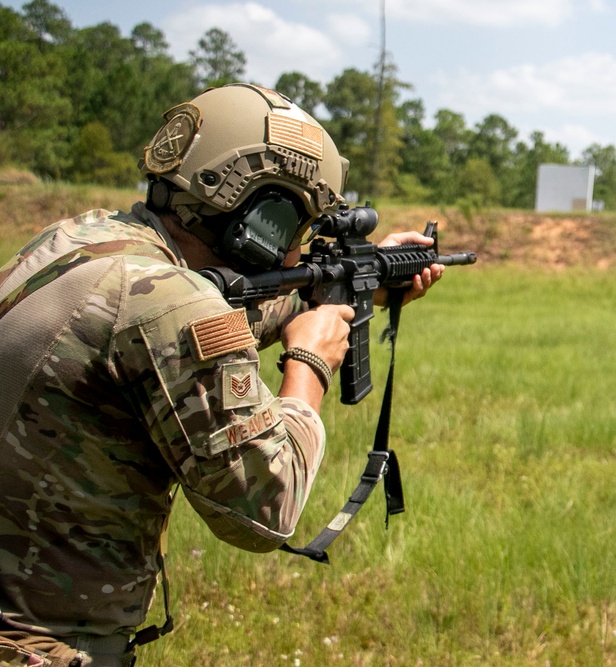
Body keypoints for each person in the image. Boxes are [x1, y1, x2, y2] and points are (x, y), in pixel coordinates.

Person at [0, 83, 444, 667]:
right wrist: (309, 362)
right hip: (39, 647)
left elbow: (219, 308)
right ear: (260, 215)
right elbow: (263, 510)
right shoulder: (169, 305)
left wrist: (348, 284)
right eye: (298, 224)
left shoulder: (83, 242)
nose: (299, 246)